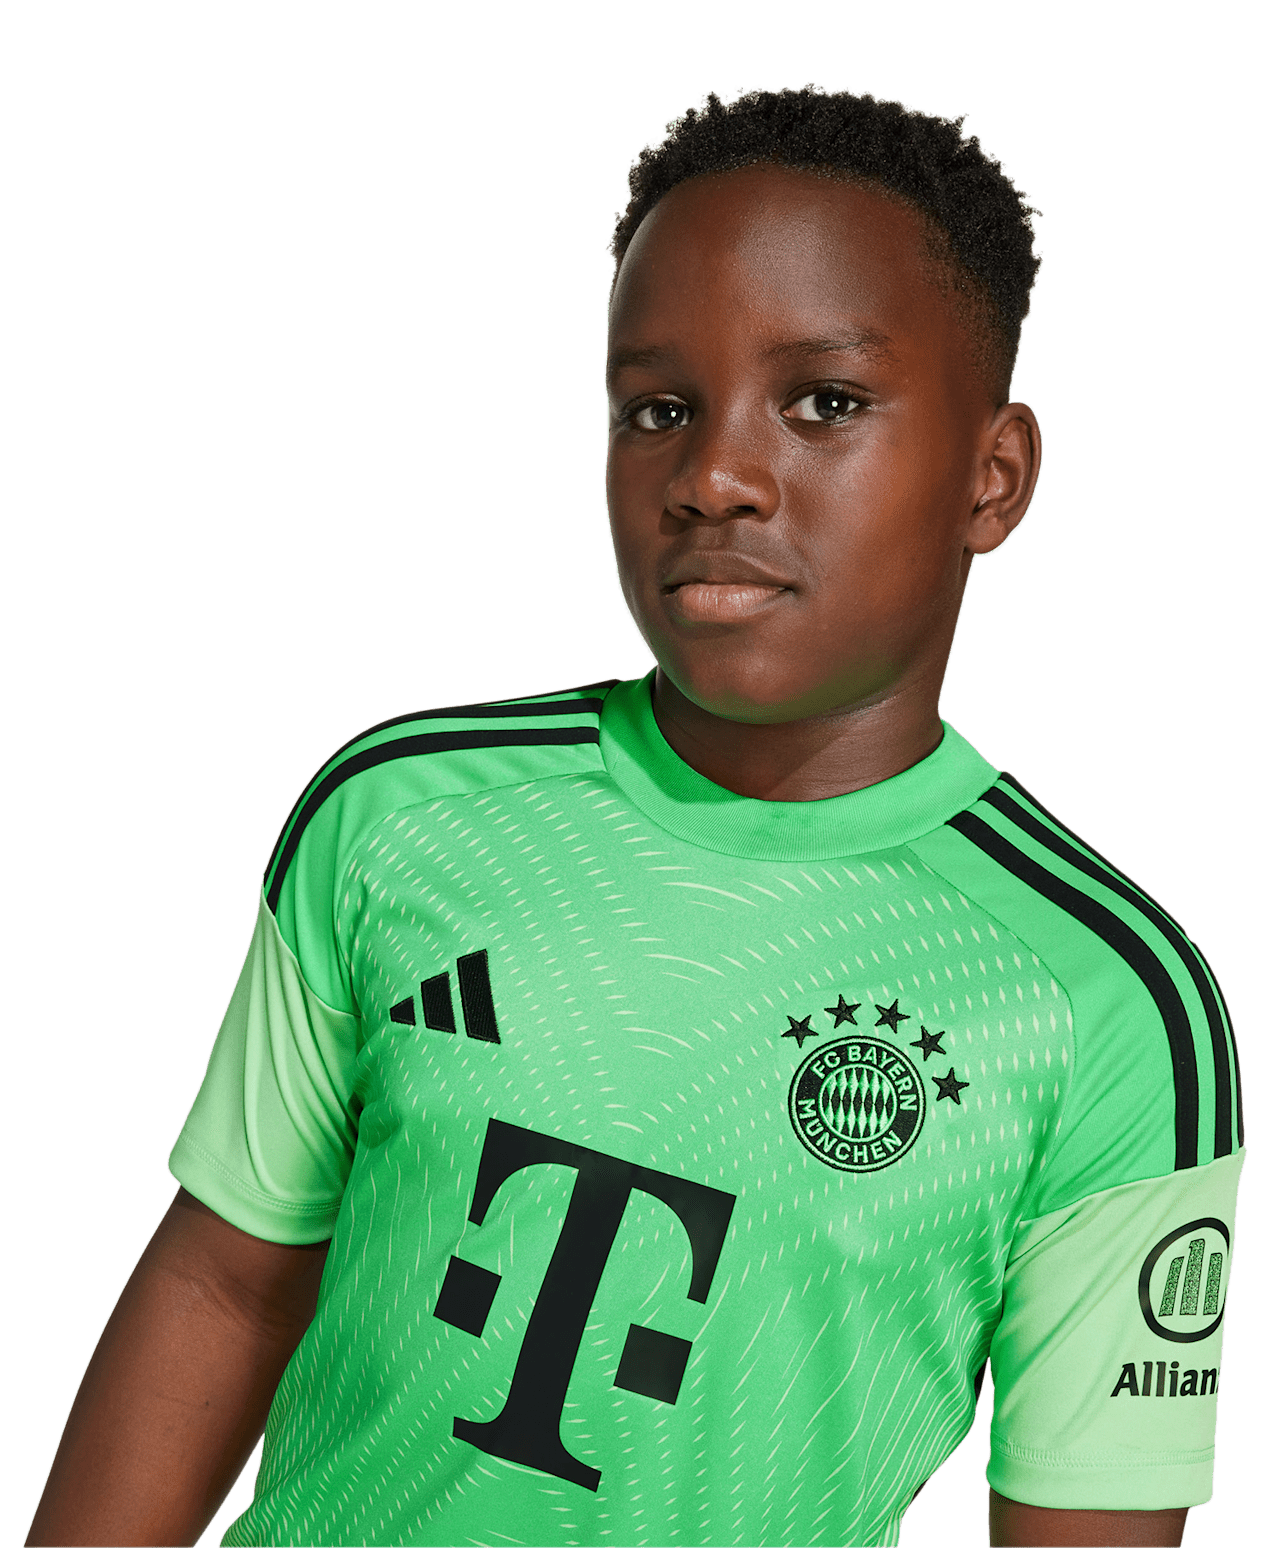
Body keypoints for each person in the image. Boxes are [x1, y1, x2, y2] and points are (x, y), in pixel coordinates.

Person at [27, 84, 1245, 1548]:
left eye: (825, 404)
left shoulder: (1099, 1002)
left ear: (995, 479)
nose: (714, 476)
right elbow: (225, 1285)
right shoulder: (405, 816)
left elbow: (1084, 1513)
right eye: (658, 410)